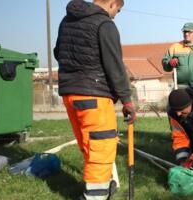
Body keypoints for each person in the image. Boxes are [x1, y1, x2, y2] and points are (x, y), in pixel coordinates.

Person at [53, 0, 135, 199]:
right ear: (112, 4)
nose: (116, 15)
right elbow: (114, 65)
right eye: (118, 10)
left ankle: (109, 184)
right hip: (94, 96)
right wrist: (126, 100)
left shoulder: (67, 20)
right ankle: (94, 196)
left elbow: (58, 52)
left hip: (70, 94)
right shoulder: (104, 23)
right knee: (101, 148)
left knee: (89, 145)